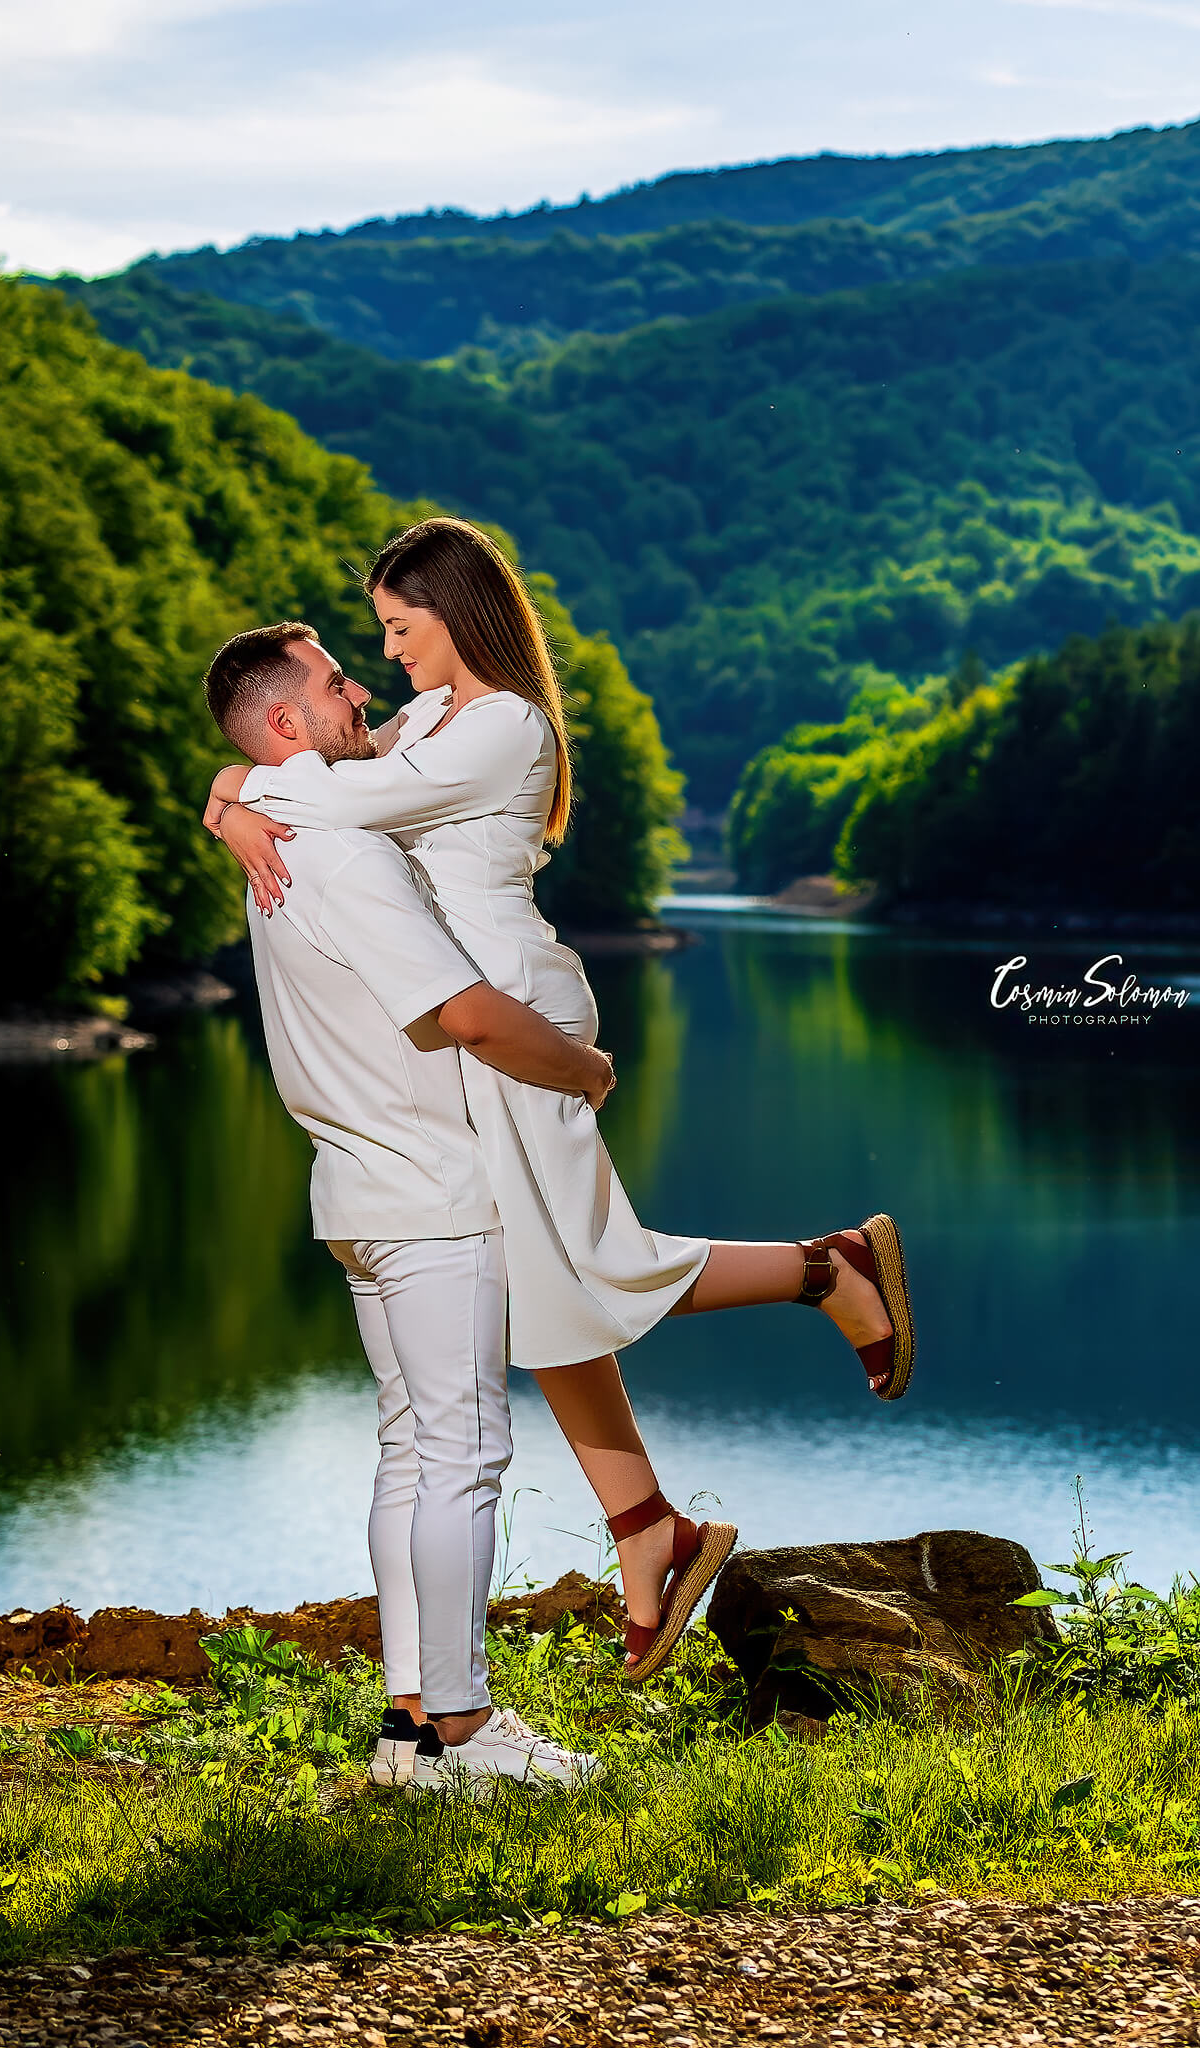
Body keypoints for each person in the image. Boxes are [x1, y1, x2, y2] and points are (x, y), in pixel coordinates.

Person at [205, 522, 915, 1681]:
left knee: (588, 1262)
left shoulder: (502, 726)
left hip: (509, 1013)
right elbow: (313, 760)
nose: (386, 655)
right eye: (377, 633)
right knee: (541, 1286)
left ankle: (825, 1268)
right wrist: (238, 787)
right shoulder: (427, 720)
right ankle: (649, 1530)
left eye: (399, 625)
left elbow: (336, 796)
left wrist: (235, 798)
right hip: (465, 1016)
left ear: (458, 610)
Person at [202, 624, 609, 1790]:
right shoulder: (340, 850)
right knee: (465, 1452)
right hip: (429, 1191)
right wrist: (582, 1068)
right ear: (289, 721)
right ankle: (465, 1731)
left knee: (411, 1450)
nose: (361, 690)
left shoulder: (279, 827)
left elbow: (250, 781)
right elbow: (463, 1012)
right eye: (337, 682)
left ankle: (409, 1728)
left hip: (355, 1188)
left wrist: (226, 796)